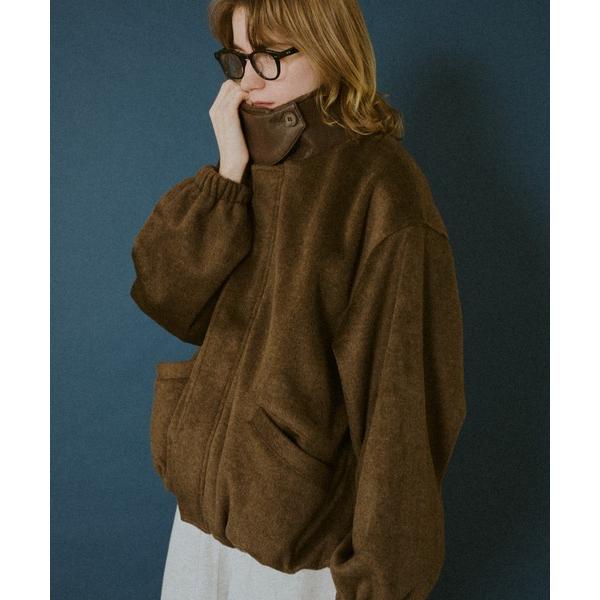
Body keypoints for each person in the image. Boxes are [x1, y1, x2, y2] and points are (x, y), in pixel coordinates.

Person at [129, 1, 467, 599]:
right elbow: (166, 298)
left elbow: (402, 413)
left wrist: (377, 585)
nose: (248, 80)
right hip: (199, 526)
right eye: (238, 58)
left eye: (270, 57)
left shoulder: (383, 191)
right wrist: (228, 172)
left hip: (300, 555)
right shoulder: (248, 161)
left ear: (331, 50)